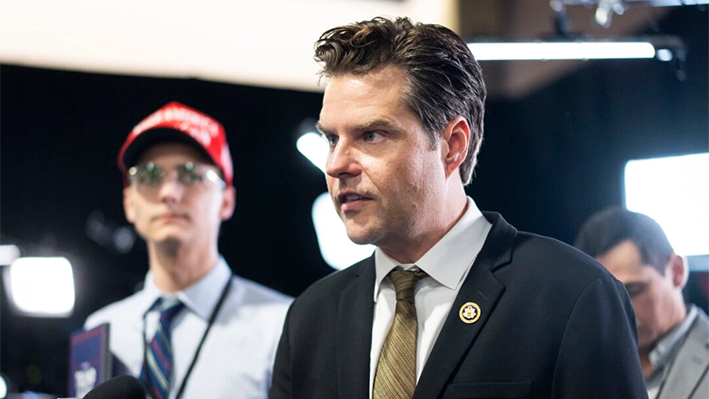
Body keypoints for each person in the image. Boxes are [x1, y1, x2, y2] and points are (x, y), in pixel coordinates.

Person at [269, 16, 647, 399]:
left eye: (371, 135)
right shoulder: (310, 319)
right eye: (332, 138)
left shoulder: (573, 295)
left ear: (453, 145)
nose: (335, 164)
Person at [84, 102, 291, 399]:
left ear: (226, 200)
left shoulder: (282, 326)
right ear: (129, 201)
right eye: (149, 175)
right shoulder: (102, 331)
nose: (169, 192)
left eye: (192, 174)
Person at [575, 206, 709, 399]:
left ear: (677, 271)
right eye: (605, 298)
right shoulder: (586, 368)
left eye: (633, 290)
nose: (618, 309)